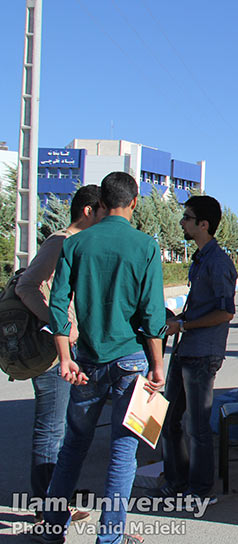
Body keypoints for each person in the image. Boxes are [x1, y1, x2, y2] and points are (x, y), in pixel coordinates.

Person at [40, 172, 167, 544]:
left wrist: (65, 357)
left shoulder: (76, 244)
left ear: (101, 202)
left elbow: (58, 304)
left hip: (87, 361)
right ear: (135, 201)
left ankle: (50, 530)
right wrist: (157, 365)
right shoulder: (145, 246)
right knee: (122, 453)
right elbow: (152, 314)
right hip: (130, 361)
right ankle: (109, 538)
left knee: (73, 447)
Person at [16, 186, 104, 524]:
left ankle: (56, 501)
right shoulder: (60, 242)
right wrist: (58, 324)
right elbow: (27, 286)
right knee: (50, 429)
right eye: (102, 212)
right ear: (88, 211)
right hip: (53, 353)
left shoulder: (78, 244)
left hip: (71, 350)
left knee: (64, 430)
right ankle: (45, 508)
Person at [152, 195, 236, 503]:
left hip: (202, 353)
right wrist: (178, 319)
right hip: (186, 348)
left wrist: (184, 325)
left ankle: (201, 491)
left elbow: (226, 312)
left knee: (197, 427)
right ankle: (177, 481)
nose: (182, 223)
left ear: (203, 224)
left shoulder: (218, 263)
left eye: (187, 218)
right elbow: (201, 308)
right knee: (170, 418)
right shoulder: (200, 259)